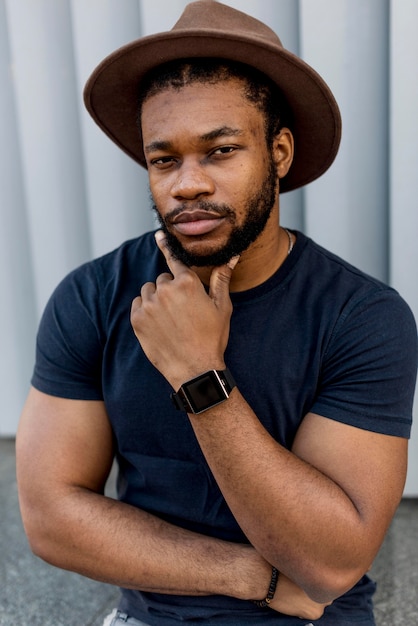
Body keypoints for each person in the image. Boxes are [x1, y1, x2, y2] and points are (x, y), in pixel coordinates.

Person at [16, 2, 417, 625]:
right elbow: (51, 520)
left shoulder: (360, 317)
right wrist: (249, 576)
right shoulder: (93, 297)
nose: (187, 184)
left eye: (221, 150)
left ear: (278, 152)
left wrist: (199, 375)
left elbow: (331, 565)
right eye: (164, 160)